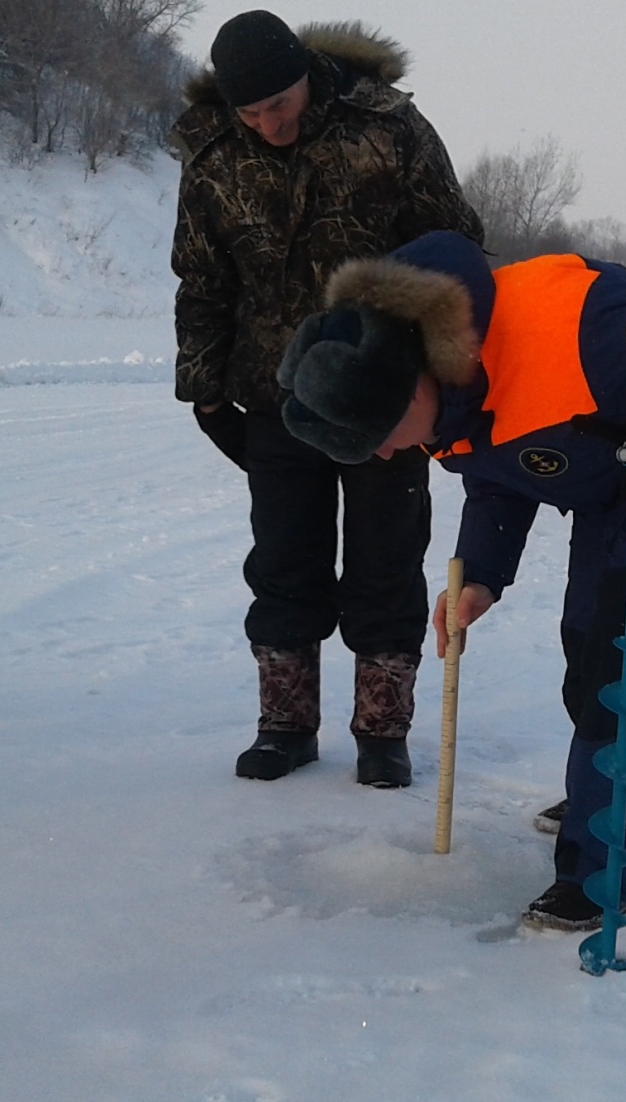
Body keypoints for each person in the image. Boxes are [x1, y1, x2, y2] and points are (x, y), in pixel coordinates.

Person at [277, 230, 626, 931]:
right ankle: (599, 783)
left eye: (382, 433)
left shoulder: (574, 323)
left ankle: (603, 876)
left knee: (624, 645)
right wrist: (479, 576)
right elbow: (497, 471)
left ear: (413, 374)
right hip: (600, 468)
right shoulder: (444, 395)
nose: (389, 452)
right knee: (583, 631)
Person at [172, 10, 483, 788]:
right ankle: (285, 723)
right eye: (252, 114)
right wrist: (205, 393)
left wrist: (437, 377)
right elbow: (203, 281)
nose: (269, 126)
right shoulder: (212, 156)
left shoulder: (388, 126)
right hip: (274, 395)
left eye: (280, 106)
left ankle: (383, 729)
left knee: (385, 559)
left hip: (382, 394)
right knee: (283, 560)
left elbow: (455, 251)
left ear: (306, 75)